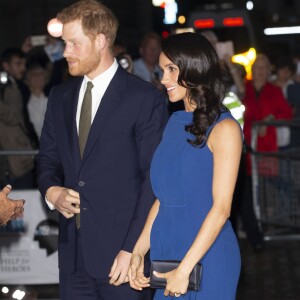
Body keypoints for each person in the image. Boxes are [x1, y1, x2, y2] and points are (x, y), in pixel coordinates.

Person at [36, 1, 168, 300]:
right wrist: (51, 191)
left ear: (100, 40)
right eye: (65, 43)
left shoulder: (144, 98)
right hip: (73, 256)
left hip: (123, 257)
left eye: (73, 43)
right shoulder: (60, 96)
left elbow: (153, 181)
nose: (66, 51)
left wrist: (132, 249)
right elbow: (47, 157)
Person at [128, 32, 242, 299]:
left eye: (171, 69)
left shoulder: (225, 129)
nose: (163, 79)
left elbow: (222, 209)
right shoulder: (175, 122)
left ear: (195, 68)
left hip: (208, 256)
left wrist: (185, 268)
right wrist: (138, 250)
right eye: (161, 70)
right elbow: (164, 197)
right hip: (168, 251)